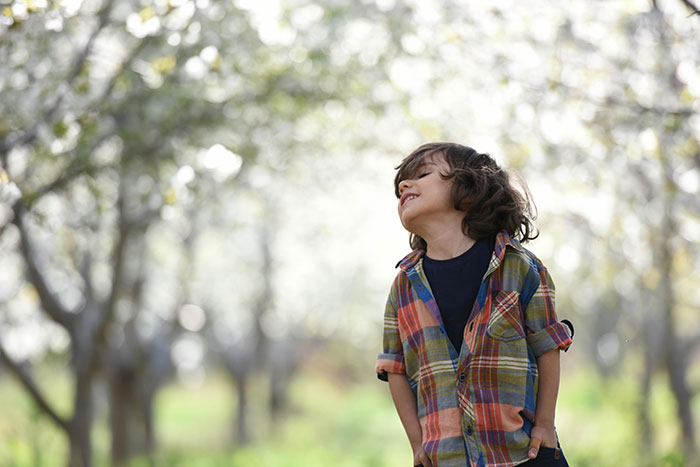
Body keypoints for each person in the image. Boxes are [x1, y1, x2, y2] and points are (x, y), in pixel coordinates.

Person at [376, 142, 573, 467]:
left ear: (468, 190)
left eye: (422, 174)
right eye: (400, 186)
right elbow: (394, 368)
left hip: (523, 454)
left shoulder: (519, 266)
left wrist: (545, 424)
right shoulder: (403, 287)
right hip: (447, 458)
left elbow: (548, 344)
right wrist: (417, 443)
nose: (403, 186)